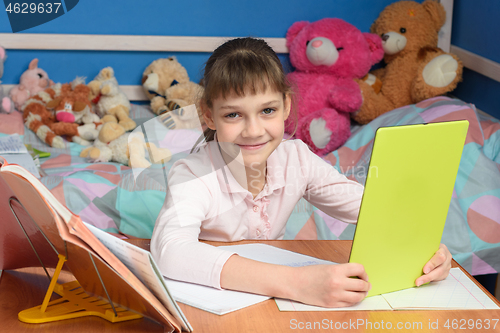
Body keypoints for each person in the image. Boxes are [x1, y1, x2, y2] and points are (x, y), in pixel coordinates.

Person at [150, 37, 452, 308]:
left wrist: (427, 250)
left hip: (274, 304)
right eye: (233, 115)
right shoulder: (193, 174)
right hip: (212, 306)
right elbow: (171, 252)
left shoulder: (295, 158)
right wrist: (297, 283)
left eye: (267, 111)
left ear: (285, 106)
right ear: (209, 115)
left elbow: (372, 208)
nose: (253, 131)